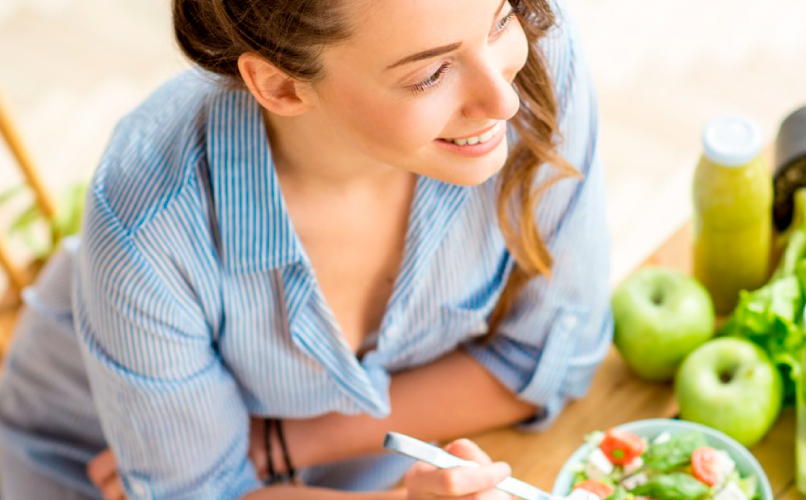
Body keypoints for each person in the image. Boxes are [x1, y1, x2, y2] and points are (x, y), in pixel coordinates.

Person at [0, 0, 611, 498]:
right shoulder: (148, 219)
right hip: (84, 467)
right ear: (281, 86)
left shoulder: (534, 65)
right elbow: (202, 494)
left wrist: (285, 444)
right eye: (430, 73)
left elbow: (553, 359)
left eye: (501, 17)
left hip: (371, 461)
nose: (504, 102)